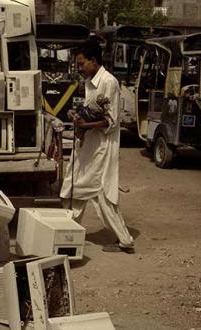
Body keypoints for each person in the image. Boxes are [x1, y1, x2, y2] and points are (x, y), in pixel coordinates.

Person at [60, 40, 135, 254]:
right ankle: (65, 234)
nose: (80, 68)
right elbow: (91, 109)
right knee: (75, 188)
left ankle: (124, 241)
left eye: (82, 64)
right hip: (88, 145)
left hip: (101, 147)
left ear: (94, 61)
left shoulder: (108, 83)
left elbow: (111, 121)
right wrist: (77, 115)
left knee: (98, 193)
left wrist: (86, 124)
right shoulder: (90, 80)